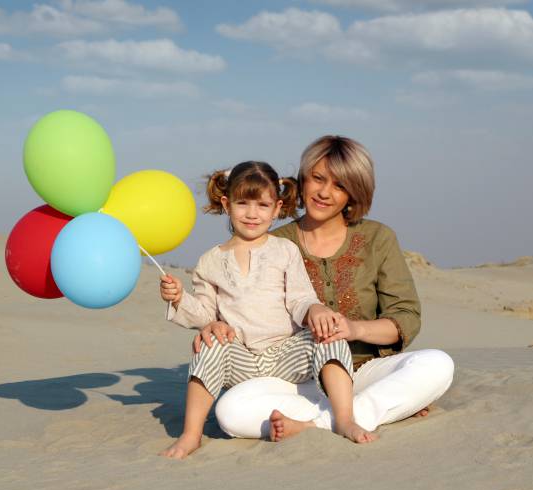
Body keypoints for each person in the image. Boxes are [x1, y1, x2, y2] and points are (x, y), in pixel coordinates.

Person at [195, 136, 455, 441]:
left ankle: (320, 422)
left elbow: (406, 317)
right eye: (318, 178)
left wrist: (353, 329)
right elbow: (239, 307)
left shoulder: (377, 238)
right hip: (298, 379)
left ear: (354, 193)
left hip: (365, 372)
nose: (324, 192)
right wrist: (213, 325)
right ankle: (372, 412)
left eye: (340, 185)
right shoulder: (274, 243)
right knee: (230, 412)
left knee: (437, 364)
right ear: (304, 180)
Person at [158, 161, 374, 459]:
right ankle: (191, 434)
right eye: (242, 203)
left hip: (286, 354)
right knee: (208, 344)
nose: (252, 213)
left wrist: (317, 310)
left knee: (330, 335)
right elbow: (206, 313)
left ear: (276, 209)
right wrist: (180, 298)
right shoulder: (209, 260)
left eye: (262, 205)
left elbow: (300, 298)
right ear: (226, 204)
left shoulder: (284, 250)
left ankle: (344, 419)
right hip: (243, 359)